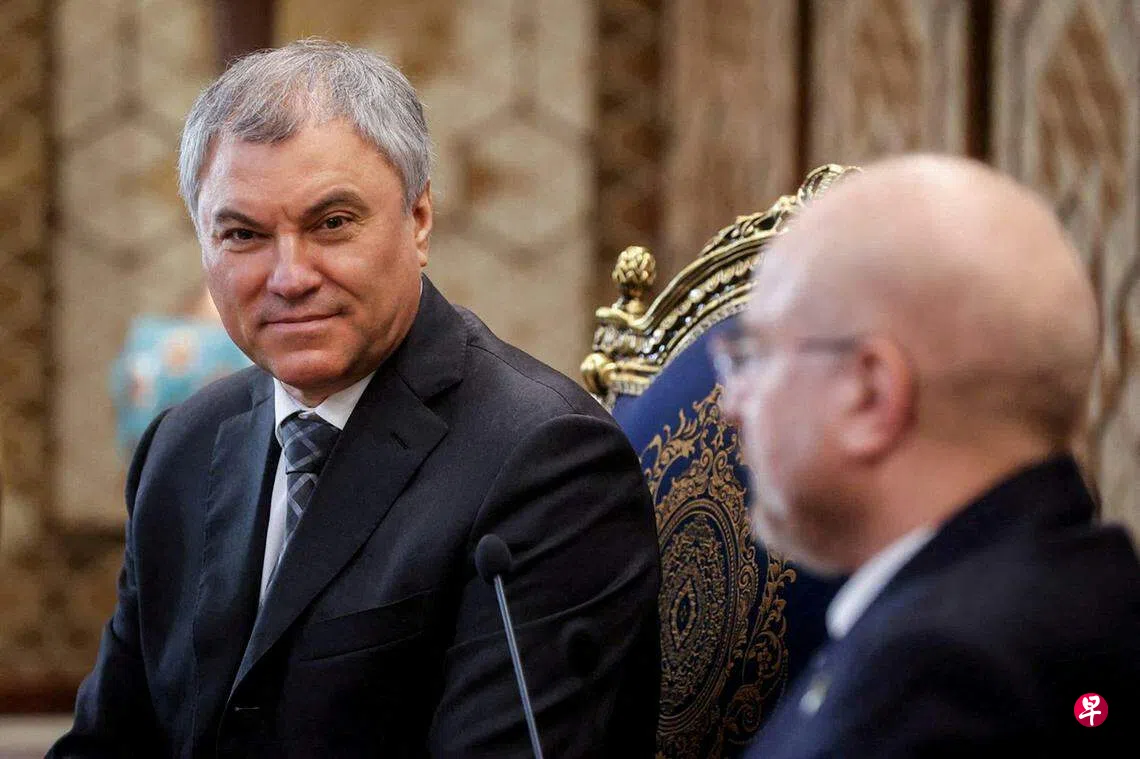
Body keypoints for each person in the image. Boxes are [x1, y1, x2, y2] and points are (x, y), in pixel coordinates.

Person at [52, 39, 660, 757]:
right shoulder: (182, 445)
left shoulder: (547, 459)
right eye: (243, 234)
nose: (290, 277)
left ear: (419, 218)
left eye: (331, 224)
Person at [710, 154, 1140, 756]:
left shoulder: (938, 679)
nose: (730, 404)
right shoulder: (1088, 588)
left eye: (754, 355)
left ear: (869, 394)